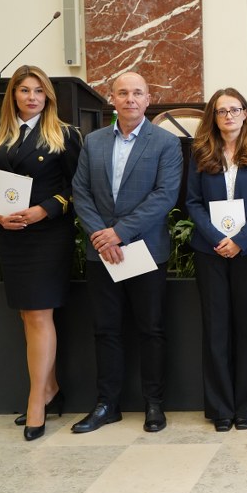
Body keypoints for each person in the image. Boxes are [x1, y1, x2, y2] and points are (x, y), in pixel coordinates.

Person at [71, 71, 183, 434]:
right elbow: (80, 192)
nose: (130, 99)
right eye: (123, 93)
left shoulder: (166, 143)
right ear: (112, 99)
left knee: (151, 330)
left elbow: (165, 196)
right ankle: (107, 404)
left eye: (137, 93)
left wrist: (119, 233)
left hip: (144, 251)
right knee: (105, 331)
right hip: (102, 253)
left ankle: (154, 403)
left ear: (148, 100)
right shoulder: (93, 142)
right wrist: (103, 237)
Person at [0, 65, 82, 441]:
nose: (32, 97)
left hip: (47, 236)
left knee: (38, 314)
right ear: (13, 96)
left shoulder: (65, 134)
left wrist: (45, 210)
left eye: (39, 90)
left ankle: (36, 401)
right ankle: (50, 389)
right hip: (12, 236)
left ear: (48, 96)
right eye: (24, 90)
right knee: (28, 315)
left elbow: (77, 187)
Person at [185, 89, 247, 432]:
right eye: (221, 111)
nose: (228, 116)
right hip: (210, 251)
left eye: (234, 110)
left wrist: (240, 240)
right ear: (214, 116)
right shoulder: (200, 151)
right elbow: (193, 203)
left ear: (245, 114)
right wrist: (217, 239)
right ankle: (220, 408)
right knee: (216, 329)